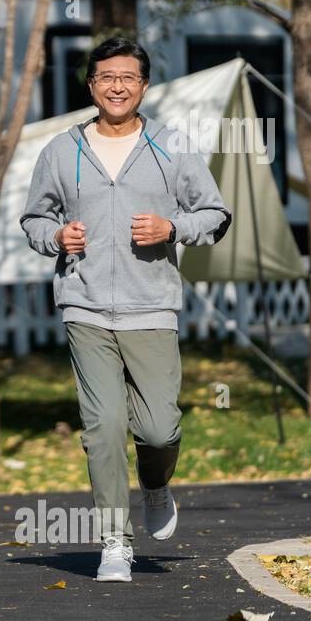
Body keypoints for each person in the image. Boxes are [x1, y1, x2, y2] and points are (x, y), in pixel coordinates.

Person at [19, 37, 231, 583]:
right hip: (84, 305)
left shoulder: (171, 146)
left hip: (151, 304)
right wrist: (56, 236)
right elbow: (34, 220)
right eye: (106, 77)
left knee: (159, 430)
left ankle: (156, 486)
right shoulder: (61, 151)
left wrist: (172, 228)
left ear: (143, 85)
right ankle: (115, 541)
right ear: (91, 85)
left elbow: (214, 212)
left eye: (128, 77)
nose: (117, 86)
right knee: (104, 425)